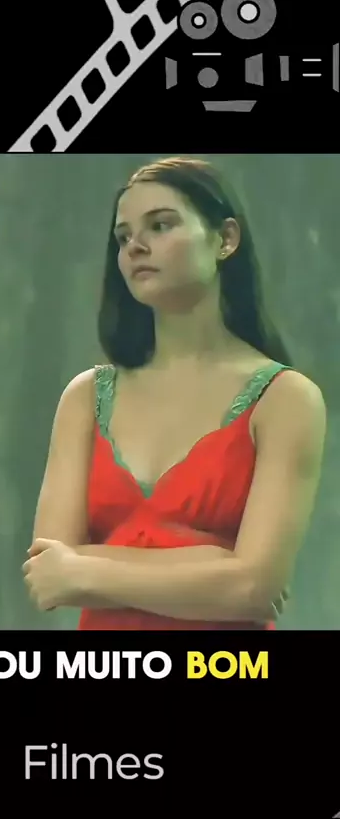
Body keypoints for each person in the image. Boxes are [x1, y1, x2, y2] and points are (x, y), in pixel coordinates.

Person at [23, 156, 326, 630]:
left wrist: (84, 569)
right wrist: (213, 560)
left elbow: (253, 589)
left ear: (225, 239)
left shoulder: (285, 399)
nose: (136, 246)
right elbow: (48, 572)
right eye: (123, 237)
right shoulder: (86, 397)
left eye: (160, 225)